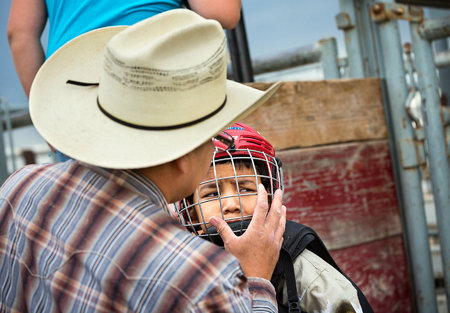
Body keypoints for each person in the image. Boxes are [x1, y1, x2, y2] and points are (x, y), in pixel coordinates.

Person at [0, 10, 285, 312]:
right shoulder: (202, 279)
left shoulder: (19, 189)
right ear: (184, 155)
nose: (214, 149)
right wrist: (255, 277)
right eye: (212, 136)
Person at [7, 0, 241, 162]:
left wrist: (46, 118)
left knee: (98, 222)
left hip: (72, 94)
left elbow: (19, 34)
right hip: (156, 84)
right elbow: (222, 11)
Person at [176, 122, 374, 313]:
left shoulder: (294, 261)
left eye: (245, 189)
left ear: (269, 198)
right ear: (191, 211)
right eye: (211, 194)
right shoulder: (183, 267)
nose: (231, 205)